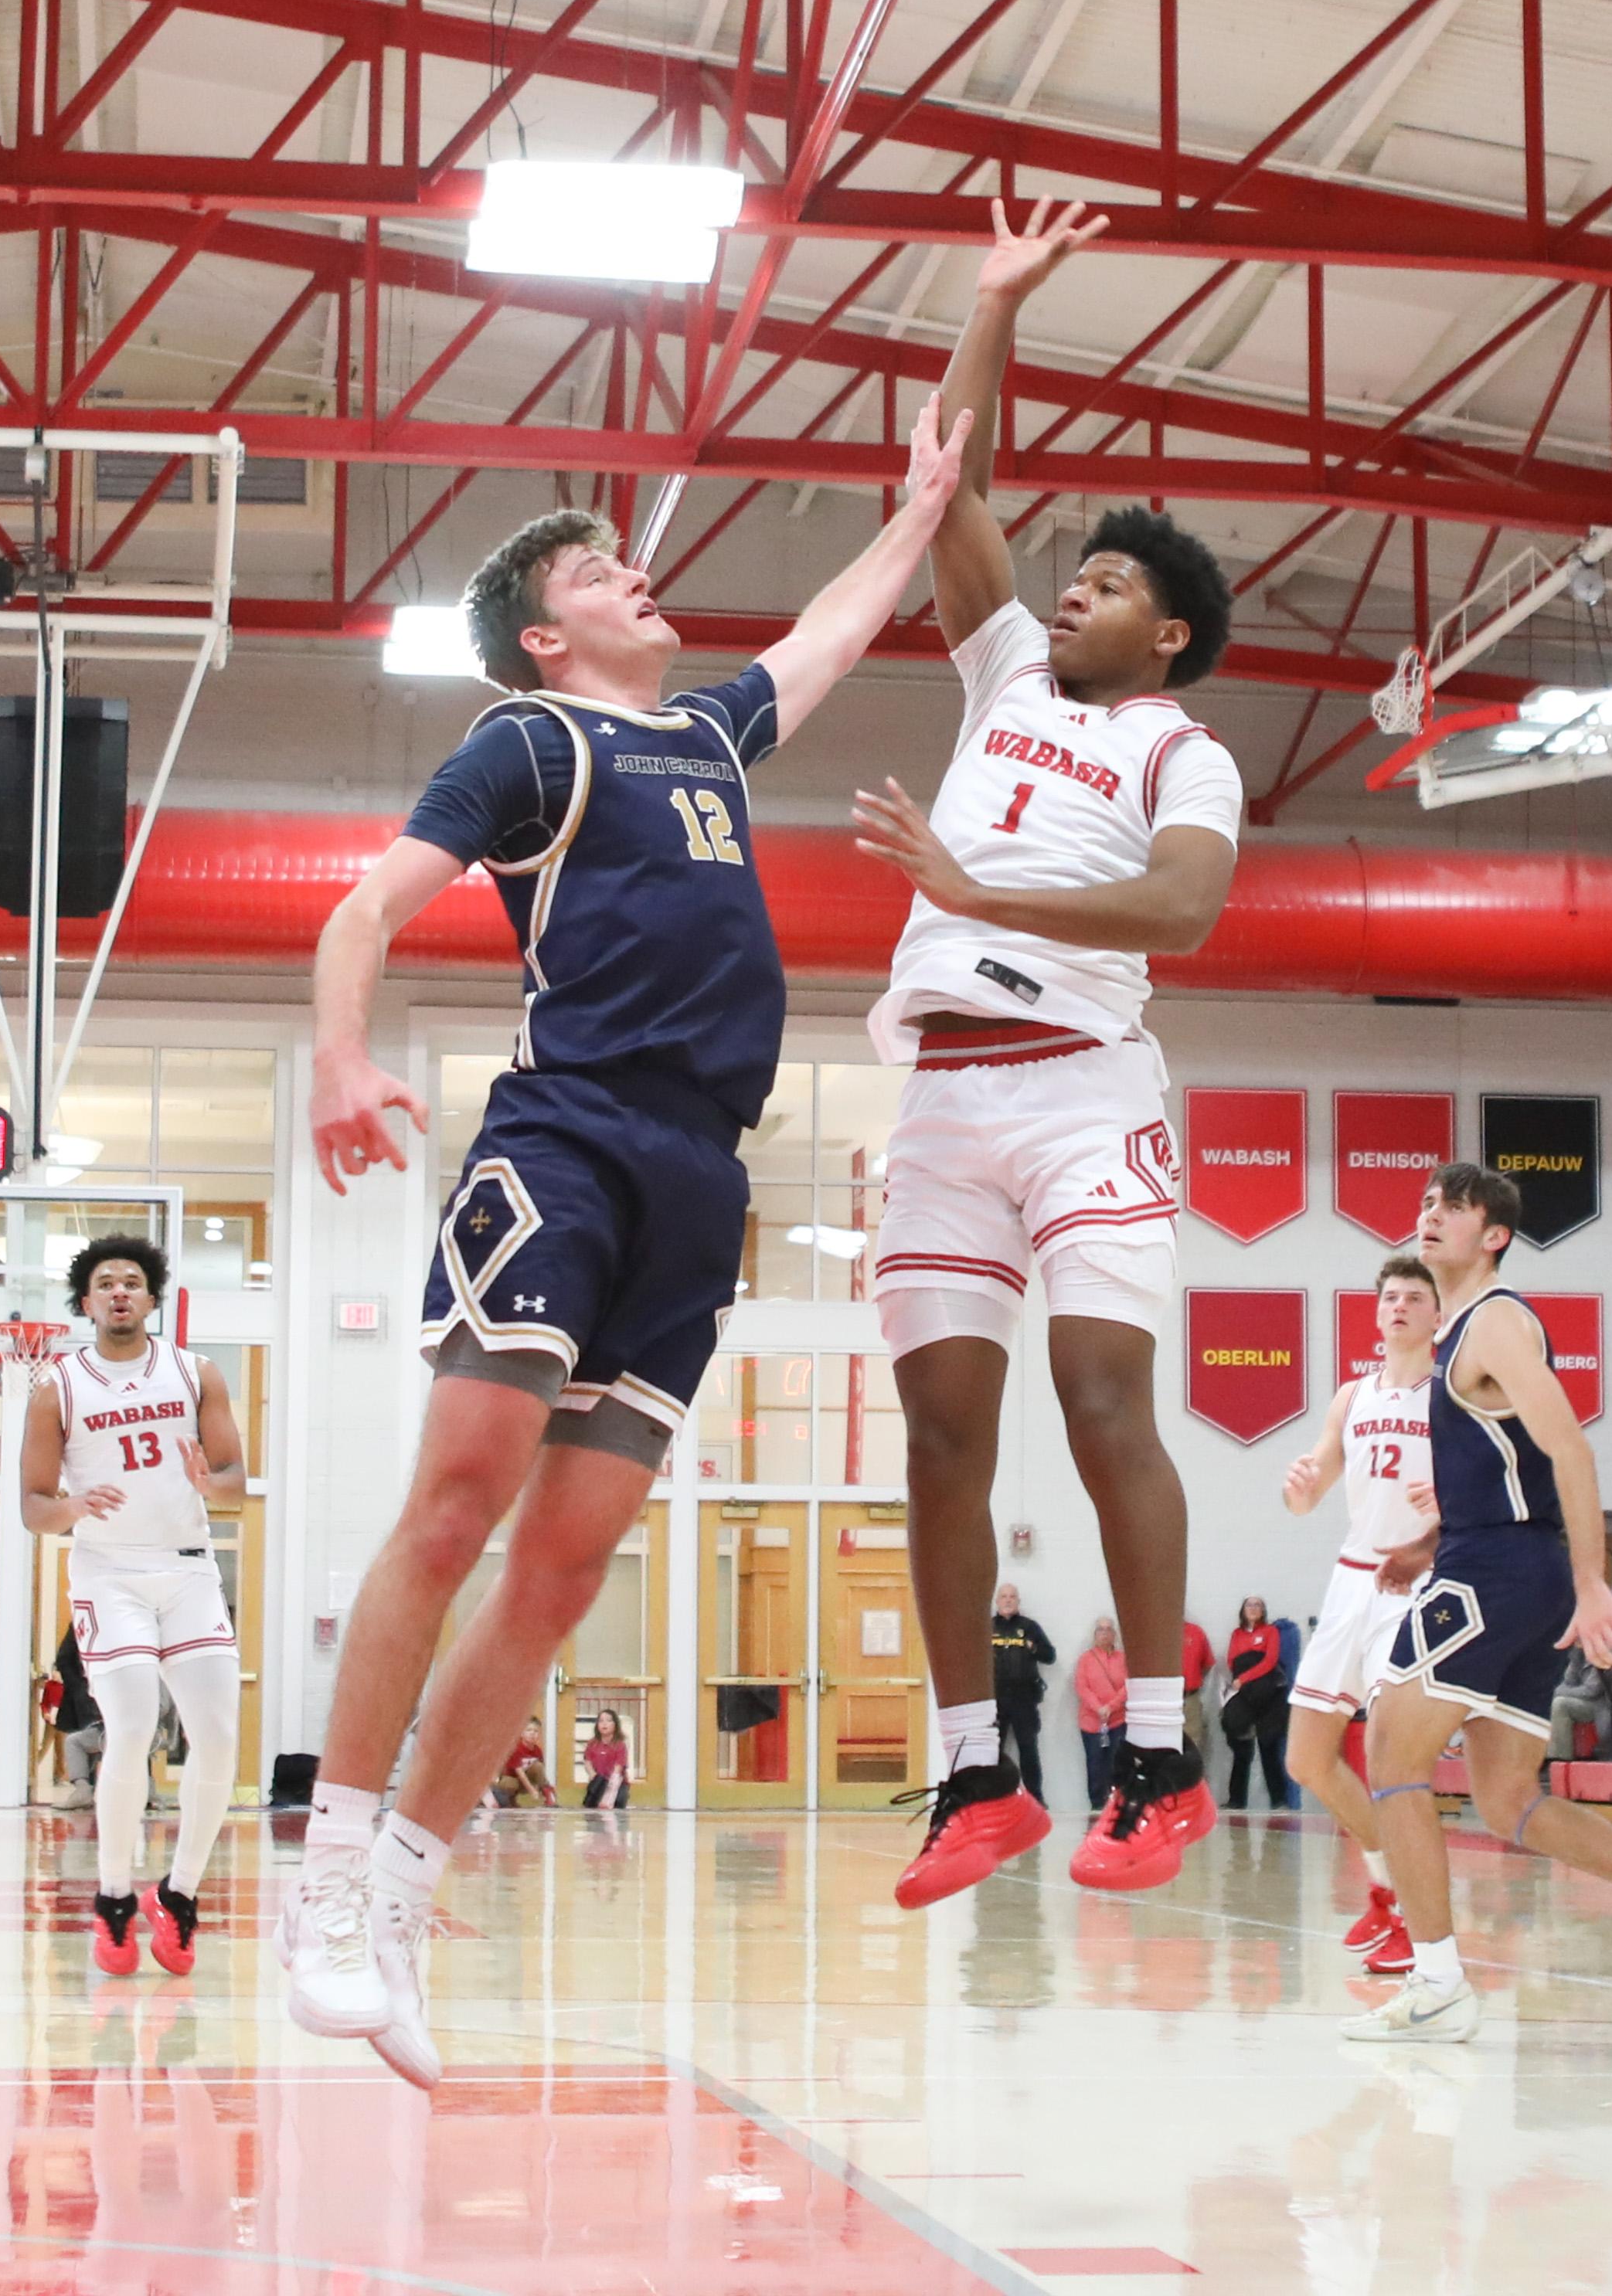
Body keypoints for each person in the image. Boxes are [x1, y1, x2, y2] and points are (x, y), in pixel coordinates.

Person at [277, 399, 969, 2089]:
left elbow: (829, 635)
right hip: (569, 1139)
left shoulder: (710, 737)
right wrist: (344, 1057)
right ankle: (329, 1881)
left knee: (568, 1567)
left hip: (701, 1181)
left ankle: (409, 1895)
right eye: (595, 571)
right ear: (543, 633)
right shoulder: (528, 741)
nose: (633, 575)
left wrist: (920, 510)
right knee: (461, 1503)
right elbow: (366, 907)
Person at [852, 202, 1242, 1910]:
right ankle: (977, 1779)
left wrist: (971, 889)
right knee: (940, 1435)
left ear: (1165, 637)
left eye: (1112, 584)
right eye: (1072, 570)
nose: (1073, 586)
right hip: (946, 1096)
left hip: (1086, 1091)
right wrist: (994, 301)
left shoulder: (1183, 751)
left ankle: (1159, 1760)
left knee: (1099, 1399)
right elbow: (953, 479)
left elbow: (1183, 911)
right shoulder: (1004, 670)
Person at [1347, 1163, 1612, 2045]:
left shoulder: (1495, 1323)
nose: (1431, 1215)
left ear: (1495, 1235)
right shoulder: (1461, 1333)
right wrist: (1426, 1545)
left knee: (1390, 1747)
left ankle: (1438, 1983)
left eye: (1454, 1207)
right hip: (1501, 1564)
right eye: (1427, 1202)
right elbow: (1508, 1476)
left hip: (1500, 1574)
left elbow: (1570, 1452)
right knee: (1508, 1795)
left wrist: (1592, 1583)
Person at [20, 1234, 246, 1982]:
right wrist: (74, 1505)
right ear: (86, 1303)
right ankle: (114, 1896)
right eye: (105, 1283)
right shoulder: (58, 1387)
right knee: (133, 1726)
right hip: (108, 1573)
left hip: (187, 1569)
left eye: (132, 1281)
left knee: (218, 1739)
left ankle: (178, 1895)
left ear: (152, 1298)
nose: (120, 1291)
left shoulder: (196, 1372)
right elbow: (32, 1507)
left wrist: (211, 1485)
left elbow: (236, 1485)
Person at [1280, 1254, 1438, 1976]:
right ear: (1376, 1313)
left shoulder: (1450, 1397)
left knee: (1389, 1759)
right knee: (1307, 1759)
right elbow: (1308, 1495)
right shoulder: (1351, 1396)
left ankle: (1422, 1924)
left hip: (1415, 1582)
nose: (1399, 1306)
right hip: (1350, 1579)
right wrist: (1297, 1487)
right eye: (1390, 1297)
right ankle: (1388, 1889)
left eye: (1414, 1297)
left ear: (1437, 1314)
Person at [1221, 1599, 1294, 1811]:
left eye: (1257, 1605)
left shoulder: (1271, 1632)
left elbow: (1269, 1661)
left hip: (1267, 1695)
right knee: (1241, 1749)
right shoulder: (1237, 1634)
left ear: (1263, 1611)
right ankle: (1236, 1801)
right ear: (1243, 1610)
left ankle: (1279, 1801)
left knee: (1268, 1747)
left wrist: (1245, 1678)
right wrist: (1241, 1682)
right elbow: (1232, 1661)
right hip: (1244, 1695)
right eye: (1249, 1605)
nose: (1253, 1608)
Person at [990, 1583, 1056, 1802]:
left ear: (1018, 1601)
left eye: (1012, 1597)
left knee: (1028, 1749)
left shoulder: (1030, 1627)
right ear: (997, 1601)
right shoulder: (988, 1627)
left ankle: (1035, 1799)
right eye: (1004, 1597)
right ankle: (994, 1798)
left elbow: (1050, 1656)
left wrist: (1034, 1648)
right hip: (995, 1700)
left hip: (1024, 1700)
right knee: (993, 1751)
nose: (1008, 1600)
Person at [47, 1624, 104, 1809]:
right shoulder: (83, 1623)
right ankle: (86, 1790)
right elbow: (64, 1659)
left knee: (89, 1742)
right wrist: (80, 1688)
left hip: (94, 1695)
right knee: (88, 1741)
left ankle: (86, 1790)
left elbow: (63, 1658)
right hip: (89, 1696)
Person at [1076, 1617, 1127, 1812]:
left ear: (1114, 1634)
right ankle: (1097, 1806)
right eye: (1100, 1630)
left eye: (1108, 1630)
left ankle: (1116, 1805)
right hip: (1091, 1723)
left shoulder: (1123, 1658)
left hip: (1118, 1721)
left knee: (1116, 1765)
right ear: (1094, 1635)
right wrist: (1098, 1708)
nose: (1104, 1633)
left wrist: (1111, 1707)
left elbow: (1128, 1686)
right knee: (1095, 1765)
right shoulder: (1086, 1659)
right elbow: (1082, 1687)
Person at [1546, 1641, 1612, 1762]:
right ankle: (1553, 1754)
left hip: (1602, 1706)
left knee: (1561, 1704)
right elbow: (1568, 1681)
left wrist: (1563, 1692)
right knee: (1557, 1702)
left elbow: (1592, 1690)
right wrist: (1576, 1658)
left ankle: (1561, 1757)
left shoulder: (1606, 1654)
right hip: (1585, 1701)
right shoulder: (1579, 1654)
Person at [491, 1714, 557, 1807]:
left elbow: (540, 1771)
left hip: (526, 1781)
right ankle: (509, 1799)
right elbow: (520, 1773)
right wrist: (532, 1790)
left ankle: (548, 1793)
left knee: (538, 1766)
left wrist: (541, 1786)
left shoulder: (538, 1751)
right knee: (510, 1784)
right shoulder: (515, 1749)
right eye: (528, 1730)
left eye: (536, 1731)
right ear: (521, 1733)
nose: (532, 1733)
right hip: (512, 1780)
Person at [582, 1707, 630, 1810]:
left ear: (615, 1725)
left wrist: (610, 1791)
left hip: (616, 1782)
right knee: (591, 1805)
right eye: (601, 1721)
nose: (604, 1724)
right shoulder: (592, 1743)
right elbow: (587, 1761)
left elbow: (618, 1768)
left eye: (608, 1721)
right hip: (599, 1781)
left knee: (618, 1803)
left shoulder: (620, 1745)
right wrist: (593, 1776)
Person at [1182, 1618, 1215, 1751]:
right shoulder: (1157, 1635)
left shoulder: (1195, 1632)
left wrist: (1192, 1680)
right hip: (1164, 1703)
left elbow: (1207, 1664)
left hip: (1190, 1700)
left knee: (1192, 1746)